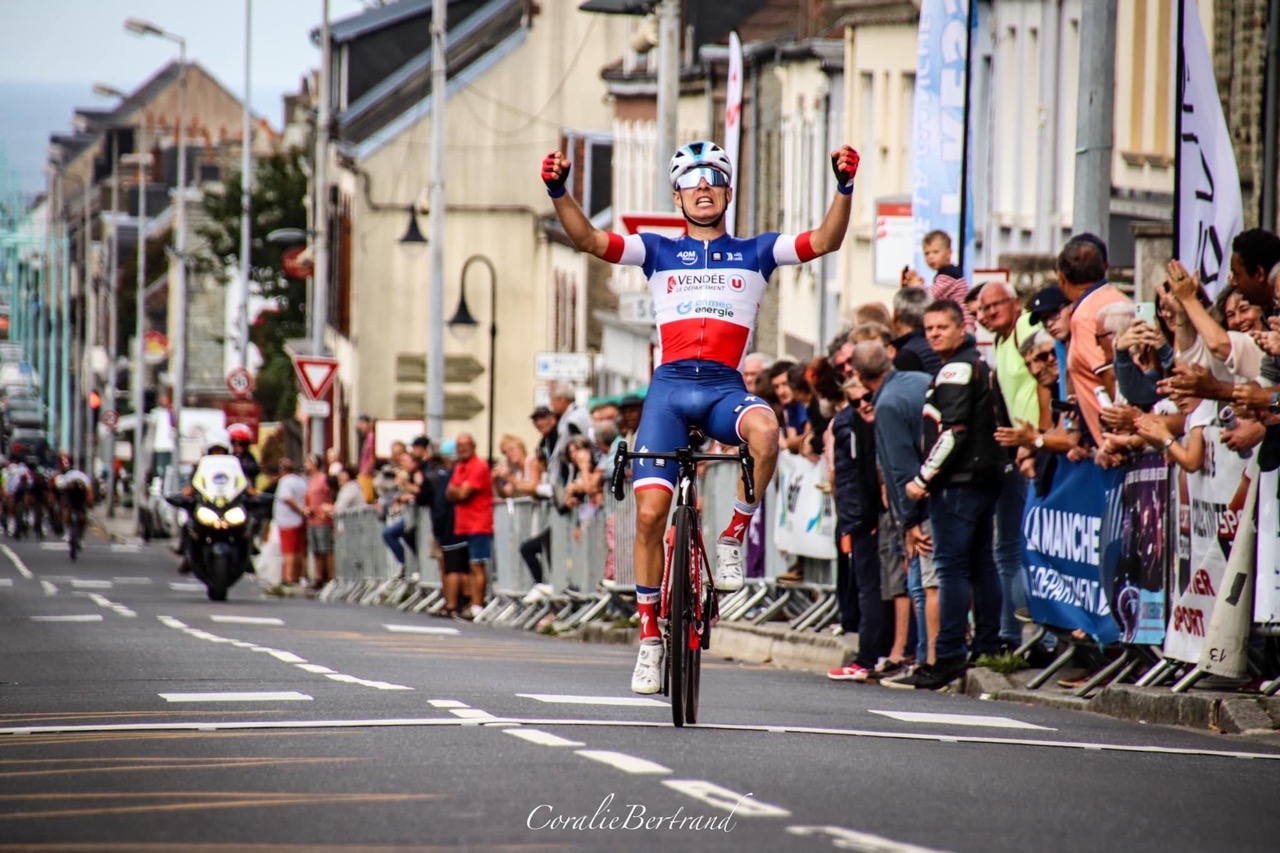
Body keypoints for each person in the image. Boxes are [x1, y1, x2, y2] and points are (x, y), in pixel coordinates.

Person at [543, 137, 859, 693]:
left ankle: (734, 534)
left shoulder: (757, 250)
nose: (704, 186)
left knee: (766, 432)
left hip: (722, 390)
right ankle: (647, 638)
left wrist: (844, 186)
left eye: (714, 177)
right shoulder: (659, 251)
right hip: (667, 393)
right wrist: (558, 191)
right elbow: (589, 239)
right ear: (678, 194)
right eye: (692, 180)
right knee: (648, 517)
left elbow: (827, 240)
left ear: (729, 191)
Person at [903, 300, 1005, 689]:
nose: (933, 334)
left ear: (961, 328)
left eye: (941, 327)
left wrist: (923, 479)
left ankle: (948, 655)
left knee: (951, 569)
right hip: (981, 478)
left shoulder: (956, 368)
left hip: (958, 483)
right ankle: (987, 647)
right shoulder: (978, 363)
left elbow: (953, 431)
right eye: (928, 329)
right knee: (981, 565)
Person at [850, 341, 939, 686]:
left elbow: (900, 469)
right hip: (945, 488)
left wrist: (909, 521)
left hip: (922, 499)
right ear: (888, 358)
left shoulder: (886, 403)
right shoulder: (920, 379)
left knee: (923, 582)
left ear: (858, 375)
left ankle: (930, 660)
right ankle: (929, 656)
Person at [447, 433, 495, 619]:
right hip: (464, 524)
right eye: (459, 445)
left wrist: (457, 491)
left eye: (465, 444)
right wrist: (456, 491)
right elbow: (450, 493)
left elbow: (462, 494)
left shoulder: (479, 465)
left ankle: (477, 605)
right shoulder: (460, 466)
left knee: (477, 566)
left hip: (479, 523)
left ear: (473, 446)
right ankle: (471, 603)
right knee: (468, 566)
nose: (462, 448)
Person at [272, 457, 308, 586]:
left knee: (289, 551)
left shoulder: (285, 482)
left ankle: (289, 577)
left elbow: (287, 498)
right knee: (299, 551)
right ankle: (298, 576)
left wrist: (299, 510)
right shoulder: (300, 481)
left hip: (288, 520)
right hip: (299, 520)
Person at [303, 453, 334, 588]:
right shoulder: (310, 480)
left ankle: (330, 576)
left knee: (325, 549)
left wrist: (328, 510)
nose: (305, 465)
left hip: (323, 519)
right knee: (315, 549)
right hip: (312, 519)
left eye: (308, 463)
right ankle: (318, 576)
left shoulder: (323, 479)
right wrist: (307, 508)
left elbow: (330, 494)